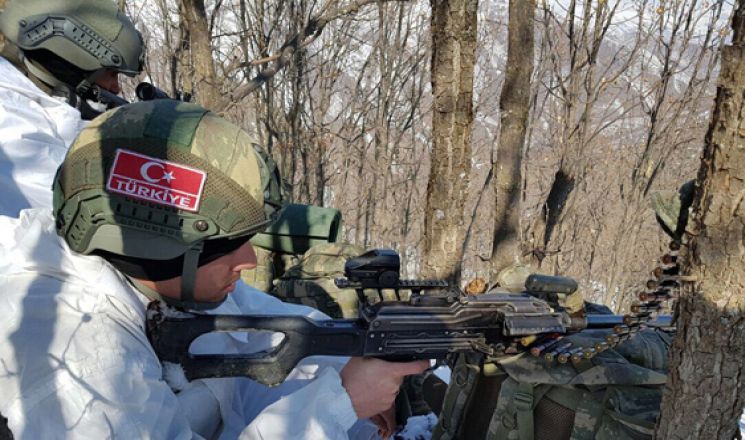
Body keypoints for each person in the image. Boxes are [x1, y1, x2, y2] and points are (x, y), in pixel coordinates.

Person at [0, 100, 427, 438]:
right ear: (155, 246)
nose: (249, 260)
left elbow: (274, 334)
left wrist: (364, 360)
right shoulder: (72, 345)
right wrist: (341, 402)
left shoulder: (166, 283)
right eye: (225, 246)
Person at [0, 0, 144, 217]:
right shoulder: (9, 113)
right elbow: (70, 208)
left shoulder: (41, 99)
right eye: (111, 73)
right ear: (74, 55)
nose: (115, 88)